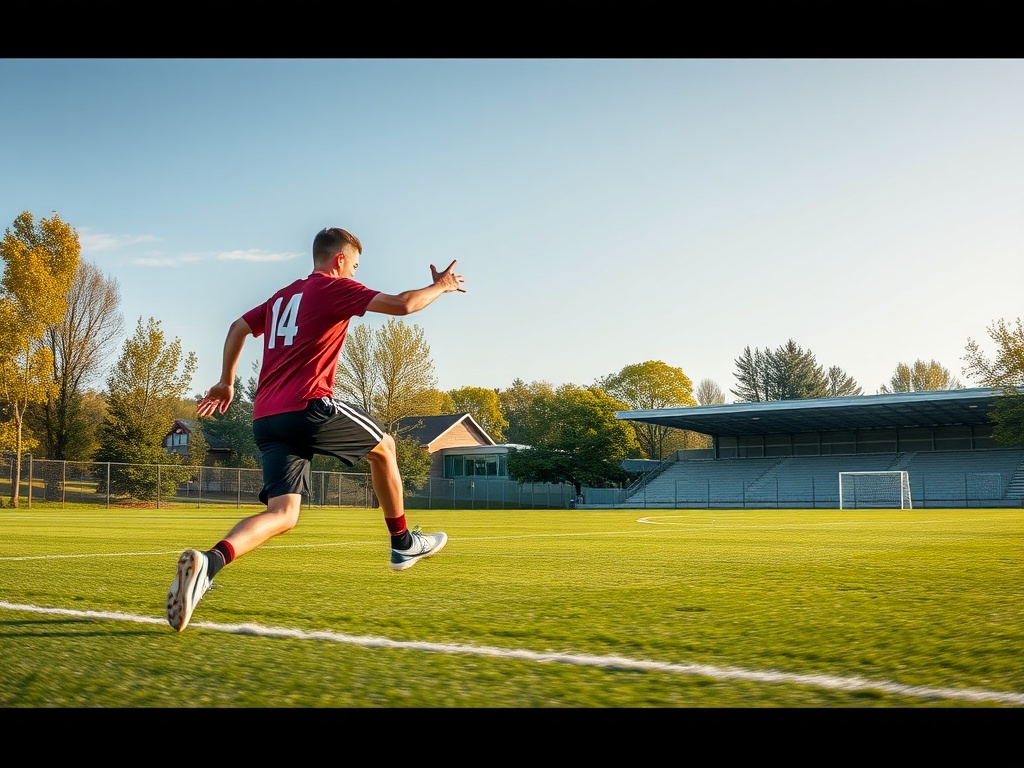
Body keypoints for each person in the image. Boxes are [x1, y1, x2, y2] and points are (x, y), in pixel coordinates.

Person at [166, 226, 466, 632]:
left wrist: (226, 380)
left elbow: (238, 326)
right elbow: (404, 304)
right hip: (308, 406)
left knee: (284, 513)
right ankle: (403, 543)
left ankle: (209, 563)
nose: (356, 274)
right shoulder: (331, 288)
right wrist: (443, 286)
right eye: (355, 266)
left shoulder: (282, 296)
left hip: (267, 418)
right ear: (339, 260)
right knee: (386, 446)